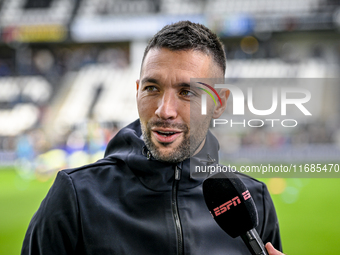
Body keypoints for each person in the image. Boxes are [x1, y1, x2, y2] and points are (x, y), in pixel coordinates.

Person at [22, 21, 284, 255]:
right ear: (137, 91)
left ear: (219, 103)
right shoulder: (76, 197)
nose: (164, 110)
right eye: (152, 88)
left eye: (187, 92)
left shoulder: (253, 200)